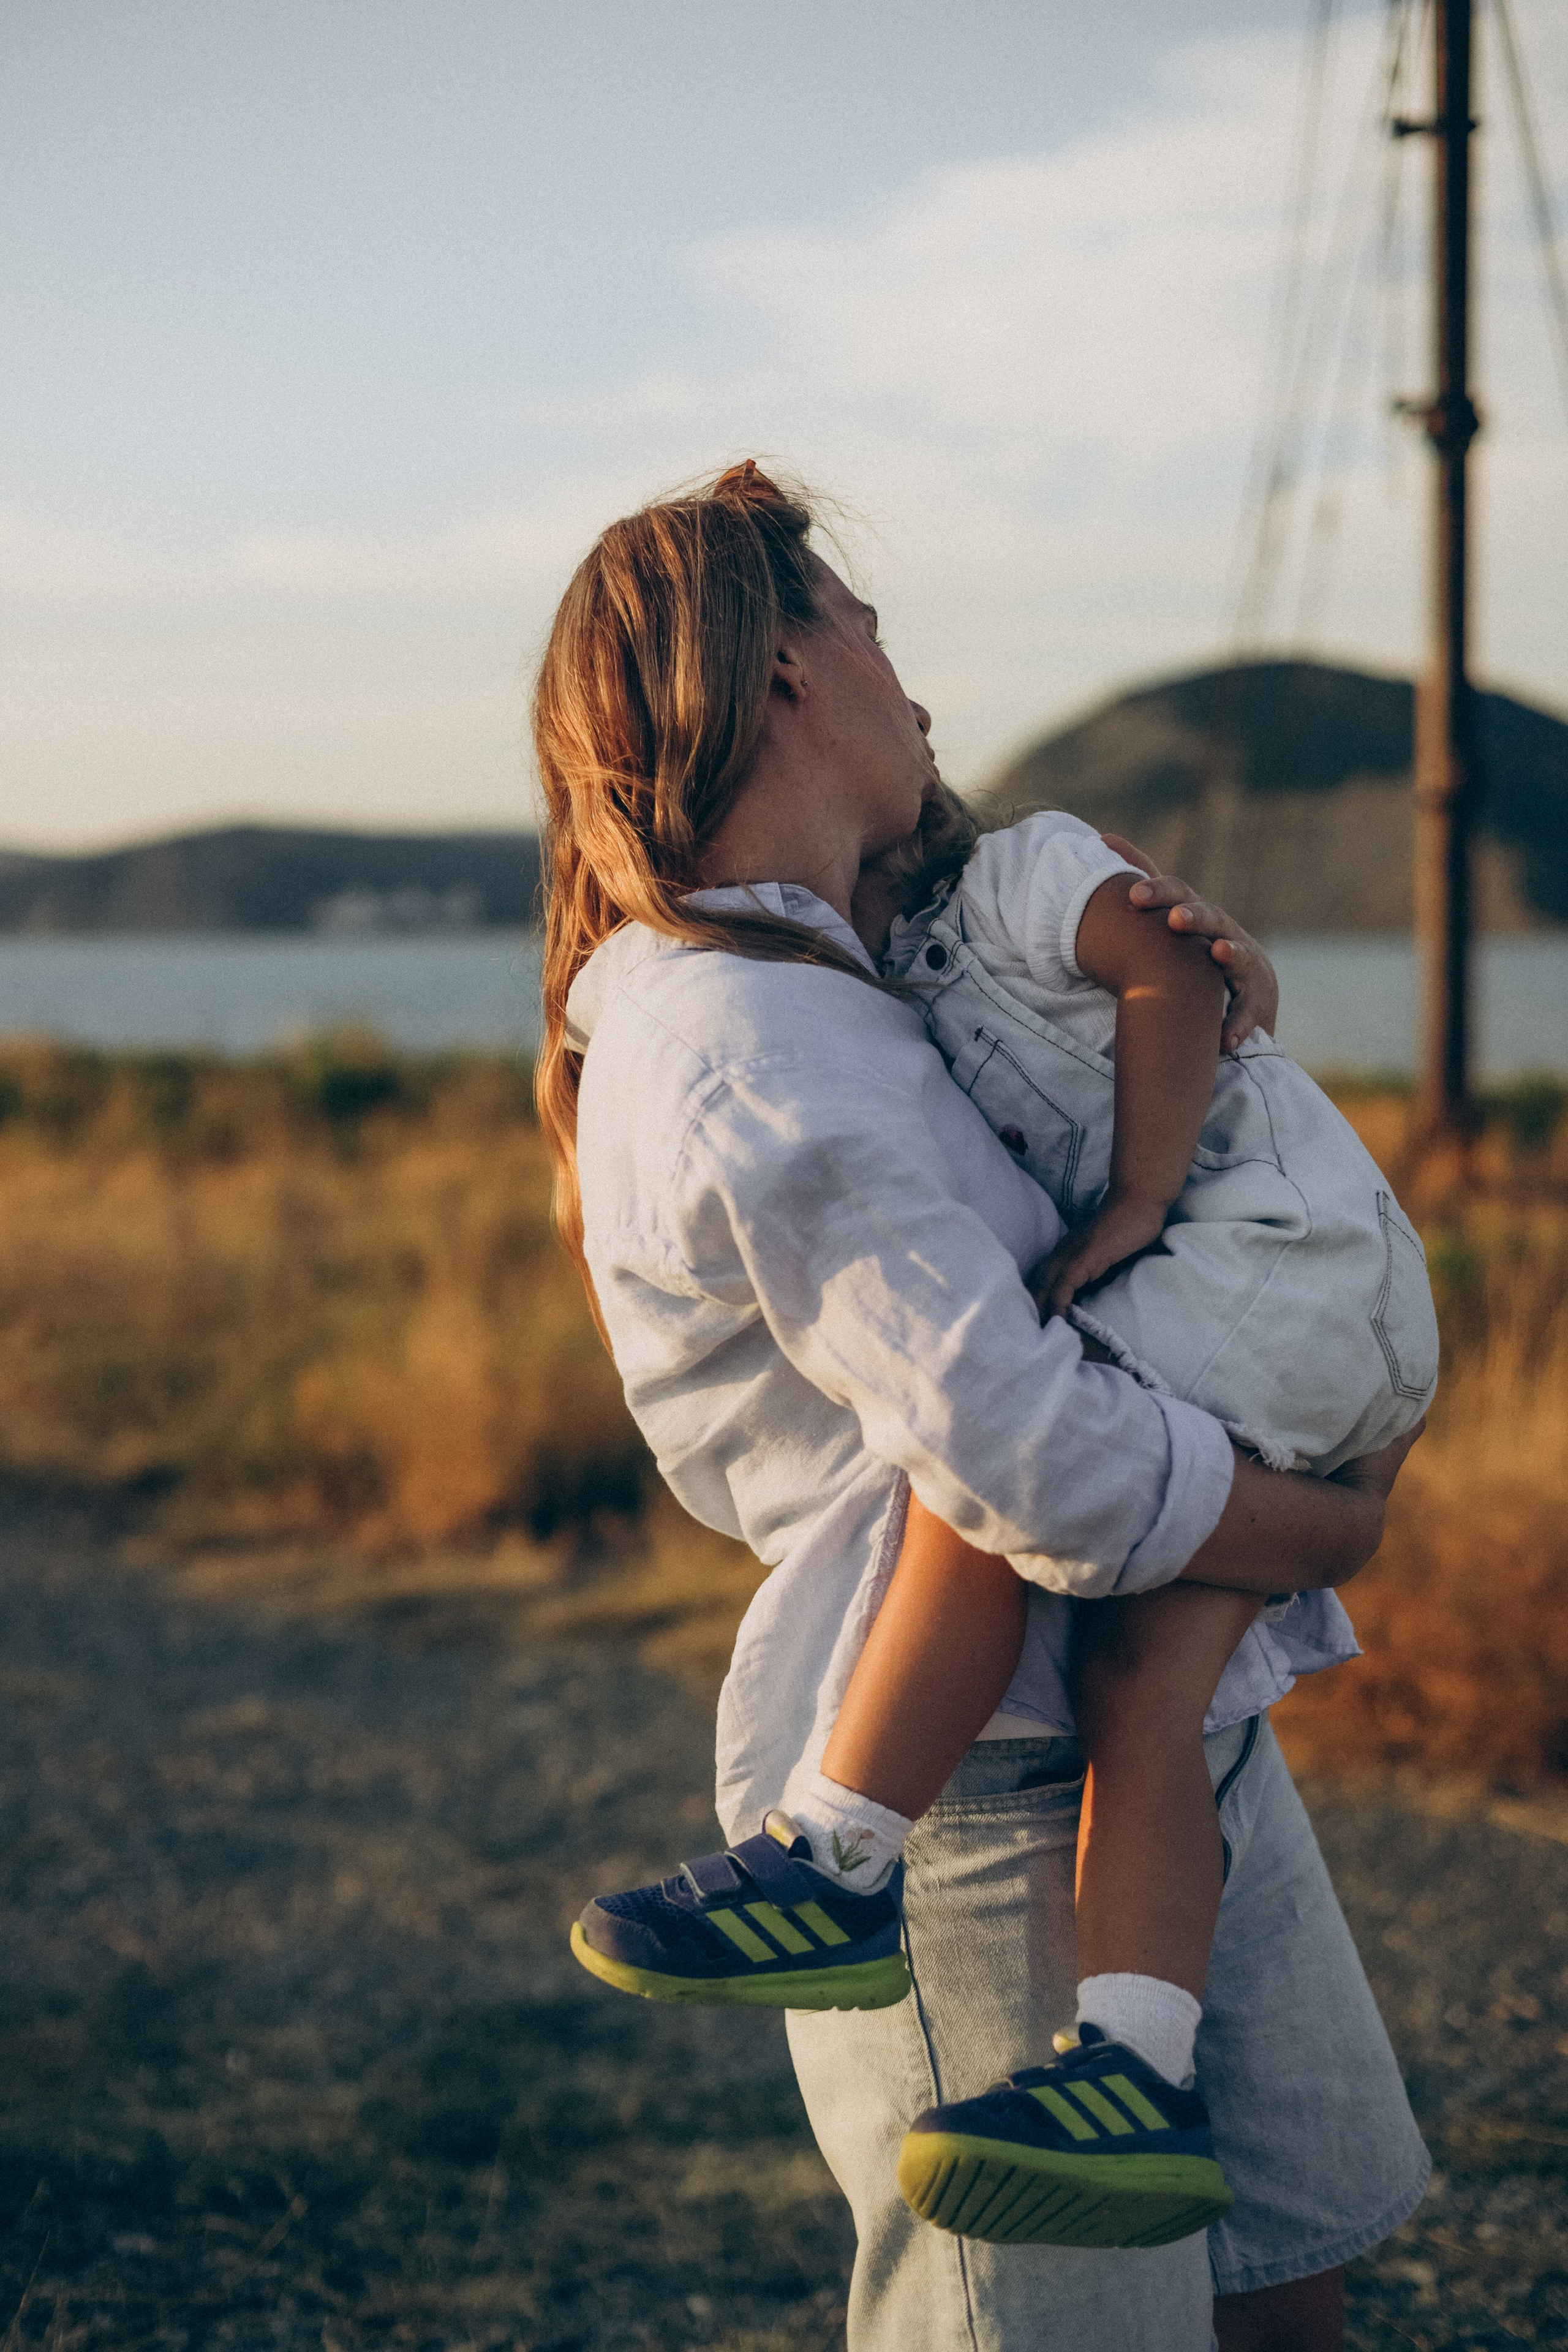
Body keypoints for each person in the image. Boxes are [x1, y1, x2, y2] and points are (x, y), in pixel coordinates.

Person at [543, 462, 1430, 2350]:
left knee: (1284, 2280)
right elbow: (1025, 1452)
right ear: (781, 669)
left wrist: (1208, 978)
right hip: (992, 1798)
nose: (896, 666)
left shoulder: (861, 966)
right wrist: (1331, 1529)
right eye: (860, 620)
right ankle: (827, 1870)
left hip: (1150, 1737)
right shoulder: (743, 1039)